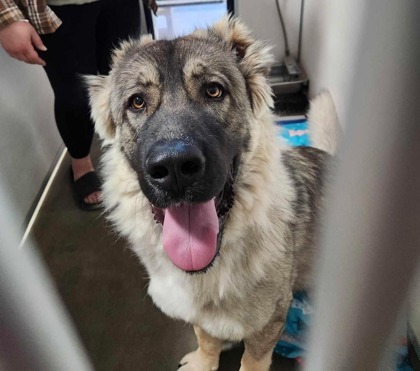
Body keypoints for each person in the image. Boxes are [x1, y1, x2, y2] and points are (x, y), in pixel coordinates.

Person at [0, 0, 156, 210]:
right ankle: (80, 163)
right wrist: (6, 18)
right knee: (74, 95)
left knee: (128, 82)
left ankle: (136, 153)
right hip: (58, 7)